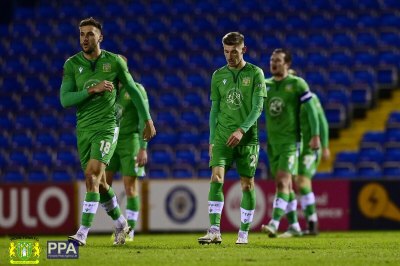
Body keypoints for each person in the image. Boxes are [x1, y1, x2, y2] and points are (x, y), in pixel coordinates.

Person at [60, 17, 156, 246]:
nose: (85, 38)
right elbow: (65, 99)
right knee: (101, 185)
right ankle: (122, 223)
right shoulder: (71, 65)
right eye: (82, 34)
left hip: (107, 127)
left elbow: (133, 89)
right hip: (84, 129)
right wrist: (91, 90)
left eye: (90, 34)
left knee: (92, 176)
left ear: (100, 37)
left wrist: (148, 120)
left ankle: (82, 233)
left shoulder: (113, 62)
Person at [197, 32, 267, 245]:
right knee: (216, 178)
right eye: (226, 51)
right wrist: (211, 139)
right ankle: (214, 230)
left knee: (247, 184)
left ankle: (243, 233)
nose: (230, 56)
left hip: (247, 139)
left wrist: (242, 130)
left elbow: (258, 108)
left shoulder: (256, 73)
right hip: (221, 137)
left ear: (243, 50)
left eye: (234, 51)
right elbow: (214, 110)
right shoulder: (218, 75)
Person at [261, 49, 320, 238]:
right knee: (284, 185)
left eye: (278, 60)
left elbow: (312, 111)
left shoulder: (297, 84)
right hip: (272, 144)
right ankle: (294, 225)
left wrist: (316, 135)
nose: (273, 63)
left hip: (290, 142)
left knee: (283, 182)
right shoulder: (265, 85)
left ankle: (274, 223)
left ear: (287, 64)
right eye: (272, 60)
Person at [105, 55, 150, 242]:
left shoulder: (136, 89)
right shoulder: (108, 91)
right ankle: (119, 223)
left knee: (130, 187)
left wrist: (143, 147)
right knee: (102, 185)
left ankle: (129, 230)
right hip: (110, 141)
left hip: (130, 142)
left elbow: (143, 119)